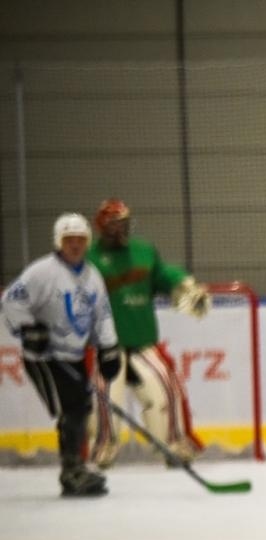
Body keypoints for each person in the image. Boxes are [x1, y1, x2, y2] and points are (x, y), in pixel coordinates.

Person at [2, 212, 123, 497]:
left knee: (80, 407)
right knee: (73, 408)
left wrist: (109, 347)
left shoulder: (93, 276)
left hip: (74, 354)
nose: (75, 245)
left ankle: (76, 467)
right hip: (44, 358)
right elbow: (10, 302)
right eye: (69, 240)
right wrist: (29, 330)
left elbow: (102, 314)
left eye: (80, 239)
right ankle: (72, 472)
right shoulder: (41, 272)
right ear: (59, 241)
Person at [86, 198, 211, 466]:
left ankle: (174, 446)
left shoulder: (143, 252)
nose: (120, 229)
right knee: (104, 400)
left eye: (124, 223)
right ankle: (103, 448)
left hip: (143, 341)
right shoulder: (89, 259)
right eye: (114, 224)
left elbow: (164, 276)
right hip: (107, 347)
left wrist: (184, 286)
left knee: (166, 391)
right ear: (101, 227)